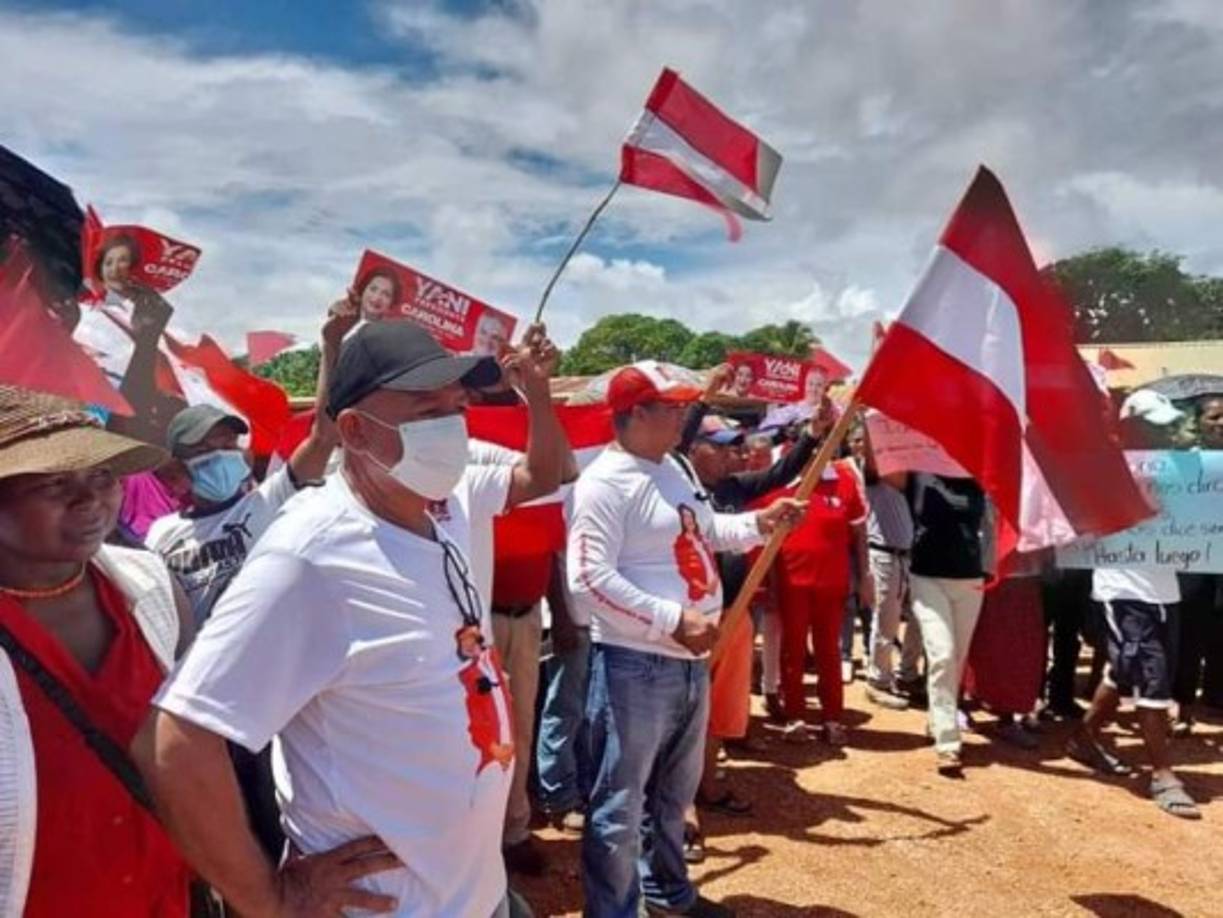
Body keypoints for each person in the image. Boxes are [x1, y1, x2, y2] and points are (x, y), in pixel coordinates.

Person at [133, 319, 565, 917]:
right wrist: (270, 900)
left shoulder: (436, 511)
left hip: (473, 891)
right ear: (356, 431)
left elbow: (545, 474)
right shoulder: (310, 557)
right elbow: (174, 744)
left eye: (456, 408)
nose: (451, 428)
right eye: (424, 412)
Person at [568, 360, 805, 918]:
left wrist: (759, 523)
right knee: (621, 804)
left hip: (687, 660)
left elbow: (704, 531)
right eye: (671, 408)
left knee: (674, 793)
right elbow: (586, 581)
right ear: (636, 414)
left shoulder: (673, 470)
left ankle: (668, 892)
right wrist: (670, 618)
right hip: (635, 661)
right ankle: (615, 910)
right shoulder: (603, 484)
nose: (683, 417)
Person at [0, 384, 195, 916]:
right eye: (56, 483)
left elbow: (208, 744)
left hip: (165, 898)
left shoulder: (151, 586)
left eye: (102, 476)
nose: (89, 500)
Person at [146, 297, 353, 626]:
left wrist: (332, 342)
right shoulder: (160, 535)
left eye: (228, 443)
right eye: (204, 449)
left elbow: (324, 435)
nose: (221, 455)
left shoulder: (270, 500)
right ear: (176, 467)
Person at [1066, 558, 1200, 819]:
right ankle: (1162, 773)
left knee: (1127, 672)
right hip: (1123, 592)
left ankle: (1083, 739)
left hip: (1165, 591)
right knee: (1152, 676)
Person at [773, 438, 872, 745]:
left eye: (823, 448)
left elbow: (859, 533)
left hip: (832, 584)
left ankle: (832, 717)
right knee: (794, 650)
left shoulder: (844, 480)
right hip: (792, 582)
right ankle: (795, 715)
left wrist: (865, 575)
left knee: (829, 650)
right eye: (810, 448)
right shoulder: (783, 482)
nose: (816, 454)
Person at [906, 473, 987, 775]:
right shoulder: (919, 476)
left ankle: (938, 717)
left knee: (956, 658)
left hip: (969, 579)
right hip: (927, 577)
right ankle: (948, 742)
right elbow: (881, 470)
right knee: (942, 654)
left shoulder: (979, 478)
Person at [850, 423, 917, 711]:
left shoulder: (908, 483)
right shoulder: (872, 477)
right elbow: (872, 454)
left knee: (917, 618)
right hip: (883, 555)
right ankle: (879, 680)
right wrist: (868, 420)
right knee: (886, 620)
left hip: (908, 557)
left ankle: (907, 673)